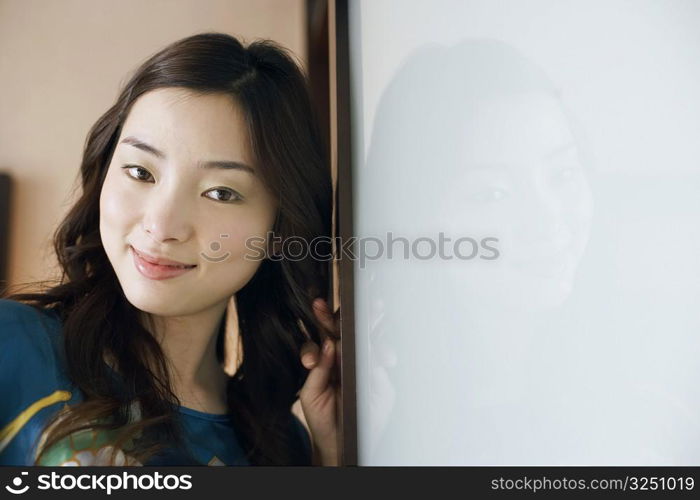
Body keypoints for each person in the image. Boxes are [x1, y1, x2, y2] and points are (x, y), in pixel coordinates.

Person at [0, 32, 339, 466]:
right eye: (140, 171)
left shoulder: (279, 446)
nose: (161, 226)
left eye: (220, 193)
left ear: (278, 228)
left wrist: (332, 456)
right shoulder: (15, 346)